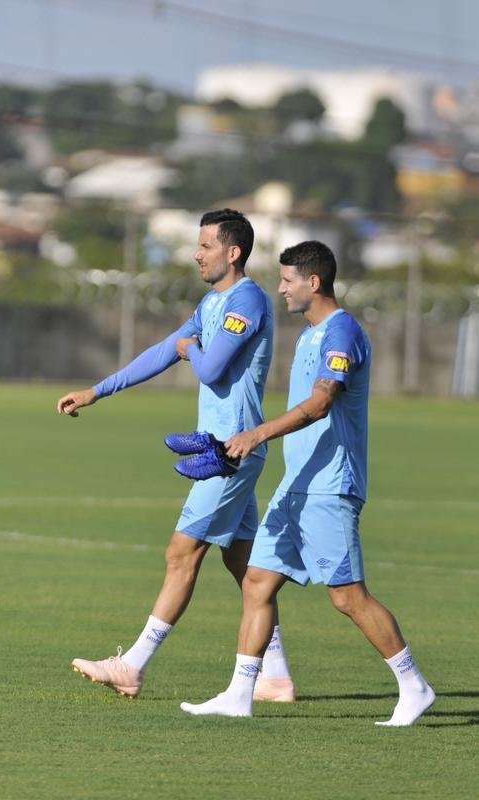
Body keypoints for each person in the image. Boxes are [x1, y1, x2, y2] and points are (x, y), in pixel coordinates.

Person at [180, 240, 435, 725]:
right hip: (296, 484)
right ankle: (239, 695)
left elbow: (321, 403)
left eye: (287, 281)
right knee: (256, 582)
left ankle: (413, 684)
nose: (280, 289)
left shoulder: (342, 334)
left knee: (346, 596)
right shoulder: (310, 334)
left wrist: (257, 433)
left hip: (329, 487)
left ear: (313, 282)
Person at [57, 208, 294, 702]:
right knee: (244, 564)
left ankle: (133, 664)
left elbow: (207, 367)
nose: (196, 253)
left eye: (205, 245)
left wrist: (190, 347)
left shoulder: (245, 300)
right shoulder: (213, 302)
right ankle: (274, 675)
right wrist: (98, 391)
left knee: (180, 554)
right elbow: (166, 349)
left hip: (230, 452)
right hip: (221, 448)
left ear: (233, 252)